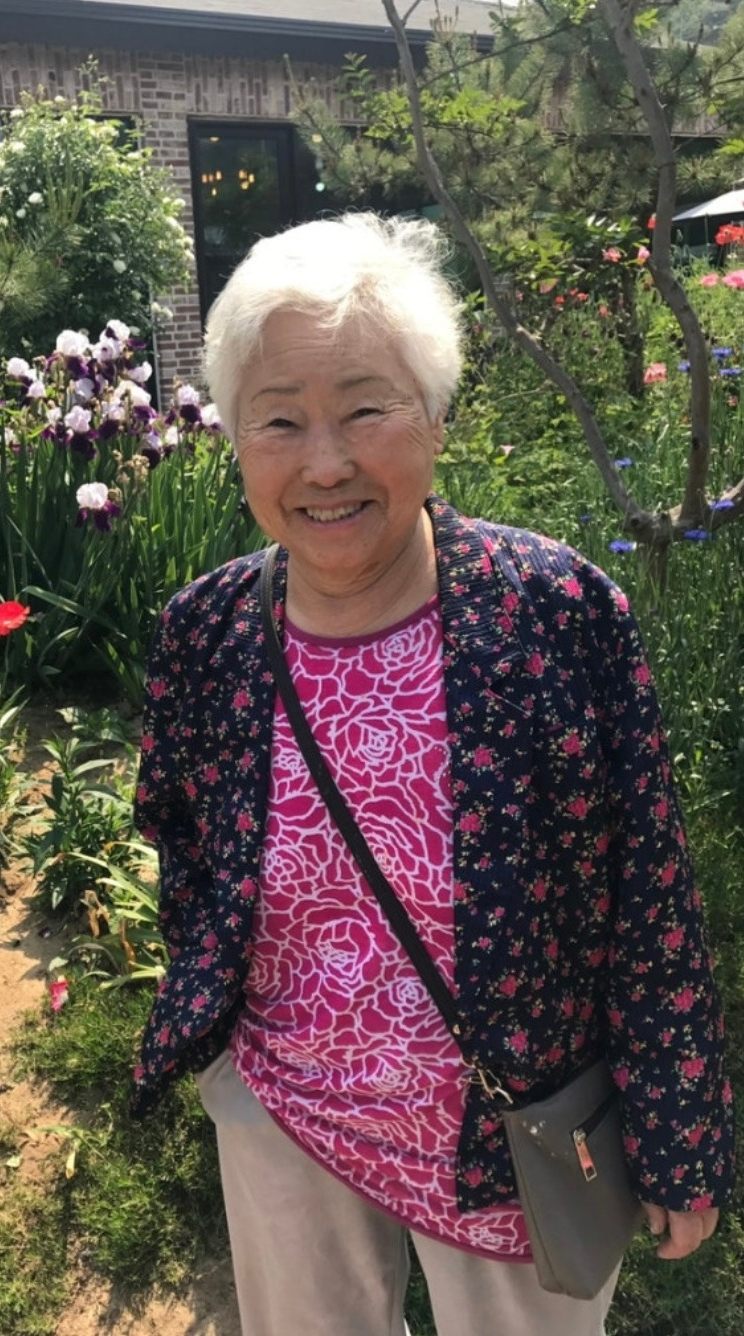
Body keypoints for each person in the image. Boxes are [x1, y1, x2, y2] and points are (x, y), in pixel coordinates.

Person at [129, 212, 733, 1336]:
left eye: (367, 408)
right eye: (279, 419)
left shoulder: (554, 612)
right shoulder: (205, 632)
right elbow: (182, 837)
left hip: (512, 1125)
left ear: (437, 417)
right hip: (283, 1111)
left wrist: (675, 1128)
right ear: (235, 437)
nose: (324, 463)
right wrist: (216, 1032)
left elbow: (647, 889)